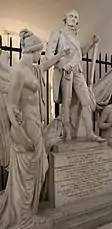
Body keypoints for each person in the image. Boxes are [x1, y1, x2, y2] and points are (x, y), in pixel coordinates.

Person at [0, 29, 69, 229]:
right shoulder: (19, 72)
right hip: (26, 128)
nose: (41, 55)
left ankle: (29, 213)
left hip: (35, 125)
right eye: (40, 51)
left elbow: (45, 65)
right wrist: (20, 134)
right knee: (26, 175)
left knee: (41, 168)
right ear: (32, 50)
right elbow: (11, 105)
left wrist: (59, 56)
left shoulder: (32, 69)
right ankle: (23, 220)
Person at [45, 9, 105, 142]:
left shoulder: (75, 37)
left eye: (76, 17)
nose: (73, 18)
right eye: (71, 16)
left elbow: (79, 55)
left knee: (86, 102)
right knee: (66, 103)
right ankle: (67, 134)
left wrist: (91, 43)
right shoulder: (58, 33)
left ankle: (90, 133)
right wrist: (61, 64)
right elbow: (49, 53)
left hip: (77, 71)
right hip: (66, 71)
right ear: (65, 18)